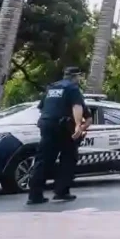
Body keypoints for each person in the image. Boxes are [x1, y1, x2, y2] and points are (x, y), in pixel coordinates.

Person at [27, 67, 87, 205]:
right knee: (68, 158)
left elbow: (42, 107)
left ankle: (34, 195)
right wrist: (78, 125)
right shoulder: (72, 88)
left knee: (43, 160)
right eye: (79, 76)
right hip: (63, 126)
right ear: (75, 76)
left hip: (46, 125)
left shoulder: (51, 87)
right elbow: (77, 106)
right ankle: (61, 192)